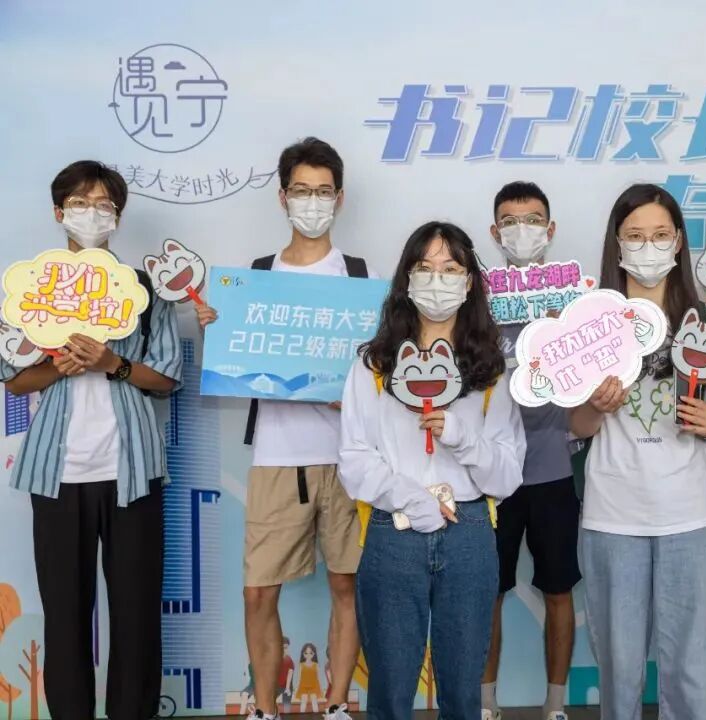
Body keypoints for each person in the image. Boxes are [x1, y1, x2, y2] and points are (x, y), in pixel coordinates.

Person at [0, 160, 183, 720]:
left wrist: (112, 363)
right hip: (56, 475)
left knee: (136, 614)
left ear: (117, 217)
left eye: (104, 204)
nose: (92, 213)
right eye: (80, 203)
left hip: (133, 472)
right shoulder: (30, 290)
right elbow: (14, 378)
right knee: (65, 614)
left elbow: (167, 377)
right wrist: (58, 366)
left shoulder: (145, 291)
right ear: (59, 212)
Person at [197, 138, 368, 720]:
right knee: (257, 592)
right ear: (282, 197)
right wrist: (219, 330)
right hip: (276, 455)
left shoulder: (361, 276)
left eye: (323, 191)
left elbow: (381, 369)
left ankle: (338, 705)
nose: (312, 202)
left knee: (348, 586)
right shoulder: (257, 278)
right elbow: (236, 357)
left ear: (339, 198)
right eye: (301, 190)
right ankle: (265, 710)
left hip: (349, 459)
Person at [339, 221, 526, 720]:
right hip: (394, 532)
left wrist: (462, 437)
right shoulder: (373, 365)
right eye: (424, 268)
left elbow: (507, 475)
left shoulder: (490, 370)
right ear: (406, 279)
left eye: (450, 269)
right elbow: (354, 457)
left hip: (469, 534)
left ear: (469, 283)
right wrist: (408, 497)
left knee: (463, 696)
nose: (437, 280)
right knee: (390, 695)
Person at [569, 184, 706, 720]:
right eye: (635, 236)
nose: (648, 246)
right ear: (617, 244)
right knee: (619, 663)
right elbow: (577, 425)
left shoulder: (702, 320)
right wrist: (596, 406)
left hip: (690, 511)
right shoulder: (591, 323)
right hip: (613, 512)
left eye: (660, 235)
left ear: (679, 242)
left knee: (692, 662)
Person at [482, 182, 579, 720]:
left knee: (559, 590)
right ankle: (485, 704)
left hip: (553, 467)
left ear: (551, 228)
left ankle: (556, 706)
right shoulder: (475, 298)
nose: (523, 230)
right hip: (489, 474)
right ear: (495, 233)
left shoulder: (575, 299)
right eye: (510, 221)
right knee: (487, 592)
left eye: (534, 219)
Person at [296, 643, 323, 713]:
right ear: (303, 654)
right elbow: (299, 678)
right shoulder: (301, 665)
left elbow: (319, 678)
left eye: (311, 653)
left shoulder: (316, 665)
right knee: (303, 703)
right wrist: (296, 688)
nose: (308, 655)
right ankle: (302, 717)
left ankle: (316, 717)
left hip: (314, 686)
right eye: (306, 653)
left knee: (314, 703)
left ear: (314, 654)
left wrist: (321, 689)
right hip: (303, 686)